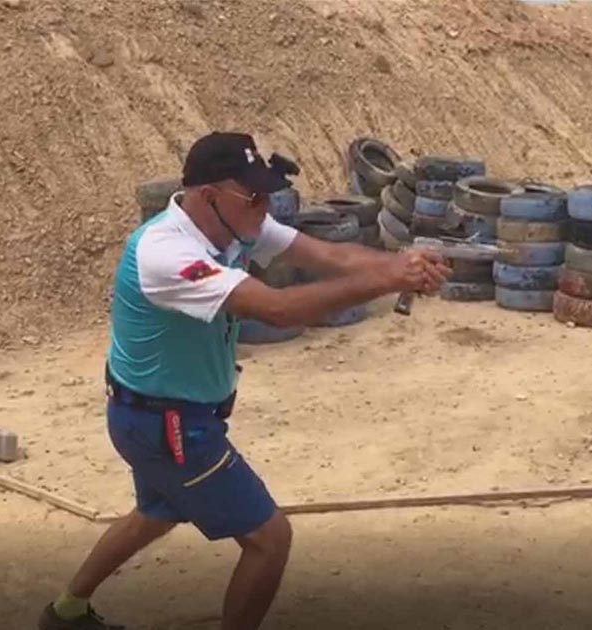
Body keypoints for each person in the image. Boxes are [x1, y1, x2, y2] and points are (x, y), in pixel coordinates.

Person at [38, 131, 451, 630]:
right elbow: (278, 310)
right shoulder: (165, 253)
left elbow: (327, 256)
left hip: (159, 416)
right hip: (169, 427)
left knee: (157, 514)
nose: (265, 205)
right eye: (254, 195)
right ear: (210, 197)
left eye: (268, 194)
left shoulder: (235, 225)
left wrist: (398, 263)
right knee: (269, 540)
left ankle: (67, 611)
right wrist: (389, 281)